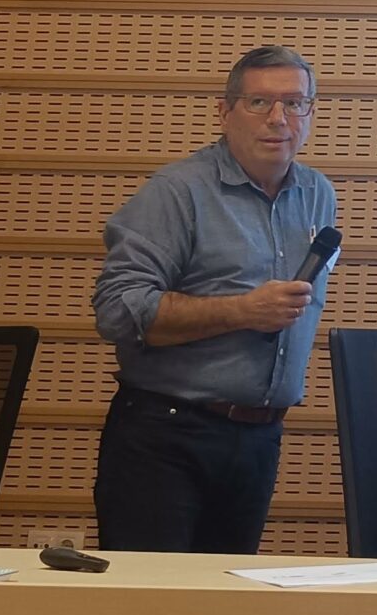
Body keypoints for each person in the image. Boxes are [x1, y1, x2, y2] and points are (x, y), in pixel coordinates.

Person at [91, 46, 335, 553]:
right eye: (259, 102)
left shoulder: (317, 194)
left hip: (259, 438)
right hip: (166, 438)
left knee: (226, 596)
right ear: (224, 112)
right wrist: (241, 311)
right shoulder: (178, 192)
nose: (278, 119)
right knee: (154, 597)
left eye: (294, 103)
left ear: (311, 111)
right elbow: (118, 310)